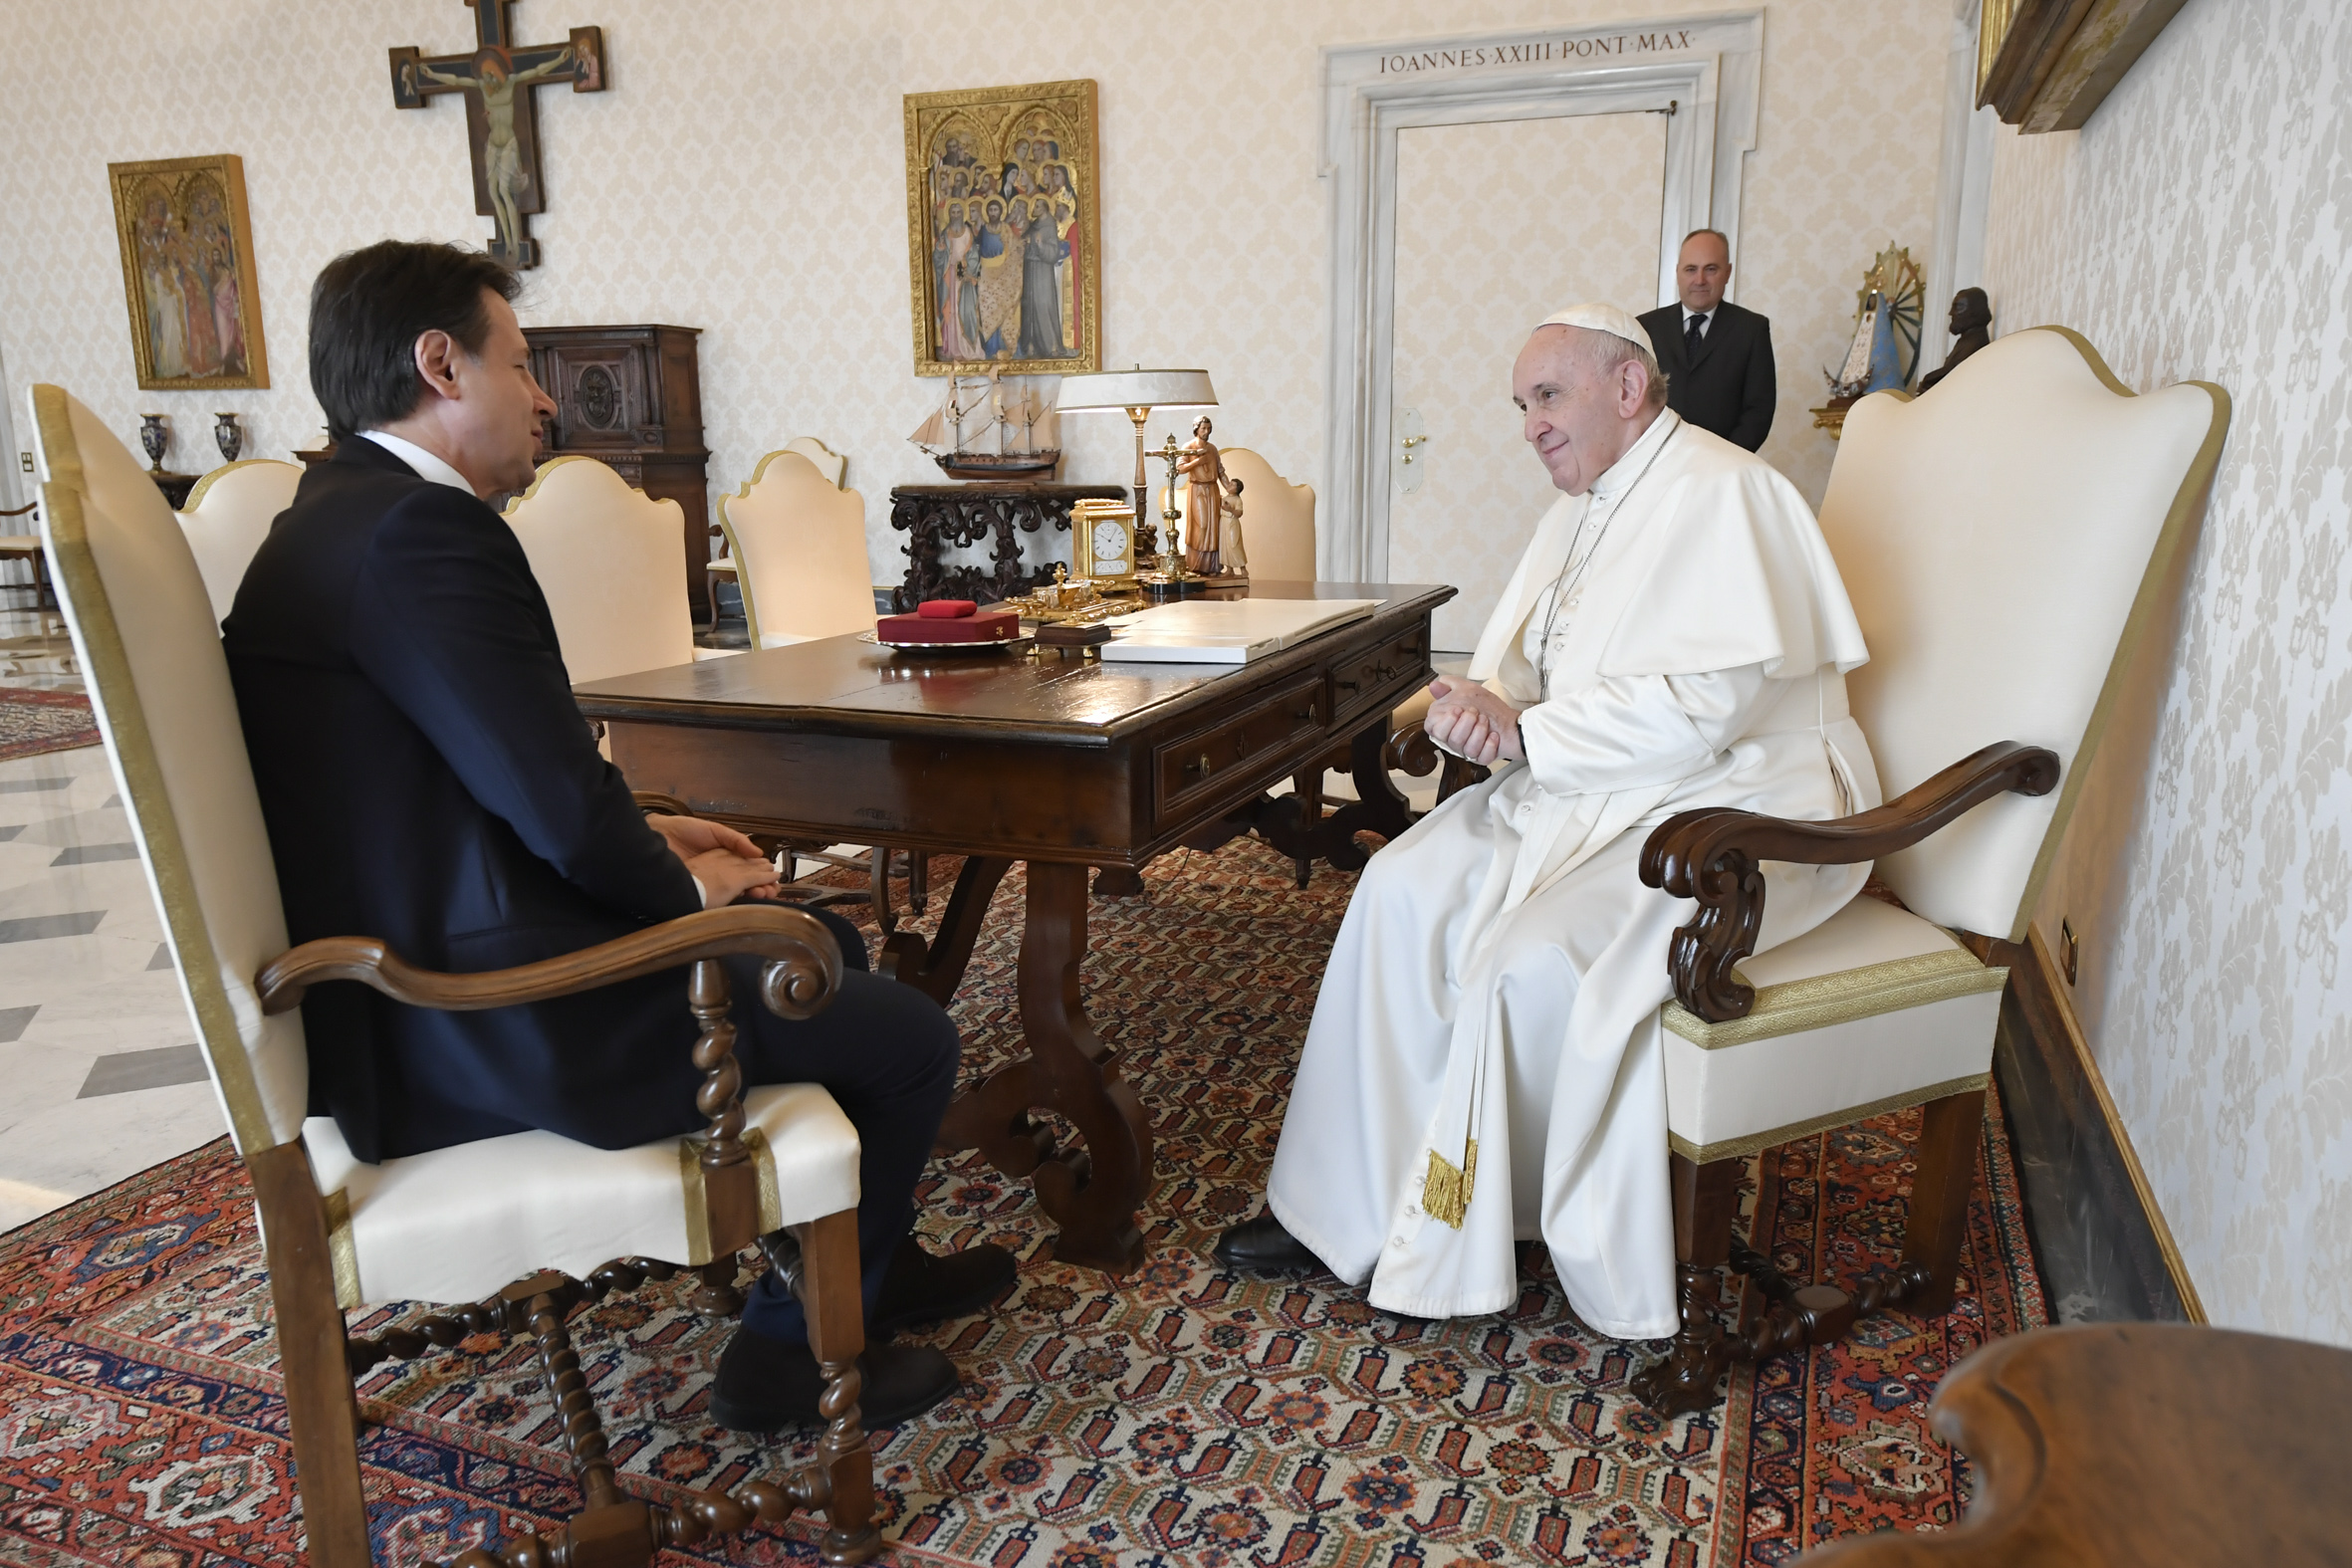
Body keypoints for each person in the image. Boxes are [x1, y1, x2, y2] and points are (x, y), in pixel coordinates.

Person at [223, 241, 1011, 1433]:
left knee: (818, 951)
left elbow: (474, 780)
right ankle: (786, 1358)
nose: (544, 399)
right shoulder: (422, 537)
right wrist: (696, 904)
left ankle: (870, 1267)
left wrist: (655, 828)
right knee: (901, 1031)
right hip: (490, 1018)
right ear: (439, 363)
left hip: (402, 996)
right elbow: (550, 810)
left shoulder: (333, 520)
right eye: (522, 363)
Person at [1215, 304, 1879, 1338]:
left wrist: (1525, 736)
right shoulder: (1581, 504)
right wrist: (1481, 709)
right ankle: (1335, 1208)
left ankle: (1488, 1221)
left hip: (1734, 801)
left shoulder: (1728, 493)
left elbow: (1707, 711)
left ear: (1627, 389)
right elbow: (1528, 662)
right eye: (1521, 405)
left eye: (1548, 396)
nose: (1529, 425)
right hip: (1593, 780)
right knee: (1396, 886)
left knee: (1524, 960)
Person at [1637, 229, 1776, 451]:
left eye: (1711, 269)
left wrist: (1725, 459)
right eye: (1691, 269)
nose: (1700, 280)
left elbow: (1758, 410)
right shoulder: (1645, 328)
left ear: (1728, 272)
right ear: (1677, 272)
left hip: (1723, 464)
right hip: (1656, 462)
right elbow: (1634, 400)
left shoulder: (1752, 329)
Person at [1915, 287, 1992, 393]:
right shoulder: (1966, 339)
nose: (1951, 313)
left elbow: (1953, 371)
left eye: (1958, 307)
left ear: (1976, 311)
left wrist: (1927, 381)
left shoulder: (1975, 341)